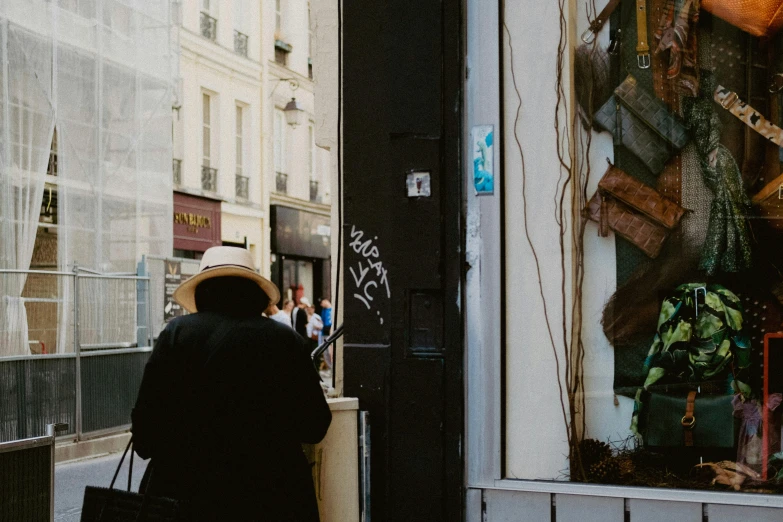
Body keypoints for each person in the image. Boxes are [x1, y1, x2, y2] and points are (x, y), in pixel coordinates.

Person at [131, 246, 331, 521]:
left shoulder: (176, 335)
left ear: (202, 291)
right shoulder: (286, 341)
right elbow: (315, 425)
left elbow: (145, 436)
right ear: (256, 293)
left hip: (188, 499)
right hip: (275, 498)